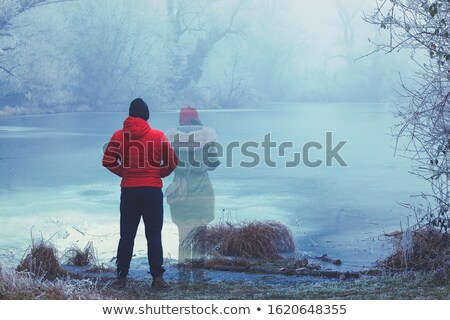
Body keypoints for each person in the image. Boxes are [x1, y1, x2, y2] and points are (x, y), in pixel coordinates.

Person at [102, 98, 177, 289]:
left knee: (126, 236)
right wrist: (159, 173)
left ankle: (121, 278)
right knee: (154, 235)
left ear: (130, 115)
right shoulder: (158, 136)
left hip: (129, 192)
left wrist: (125, 172)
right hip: (152, 192)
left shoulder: (119, 136)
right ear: (147, 116)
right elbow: (172, 162)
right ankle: (157, 279)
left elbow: (108, 161)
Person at [165, 107, 220, 263]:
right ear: (197, 119)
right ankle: (199, 267)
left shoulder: (171, 139)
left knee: (182, 232)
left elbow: (167, 165)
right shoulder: (207, 138)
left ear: (180, 121)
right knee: (201, 233)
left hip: (180, 191)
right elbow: (212, 165)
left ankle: (182, 267)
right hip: (203, 191)